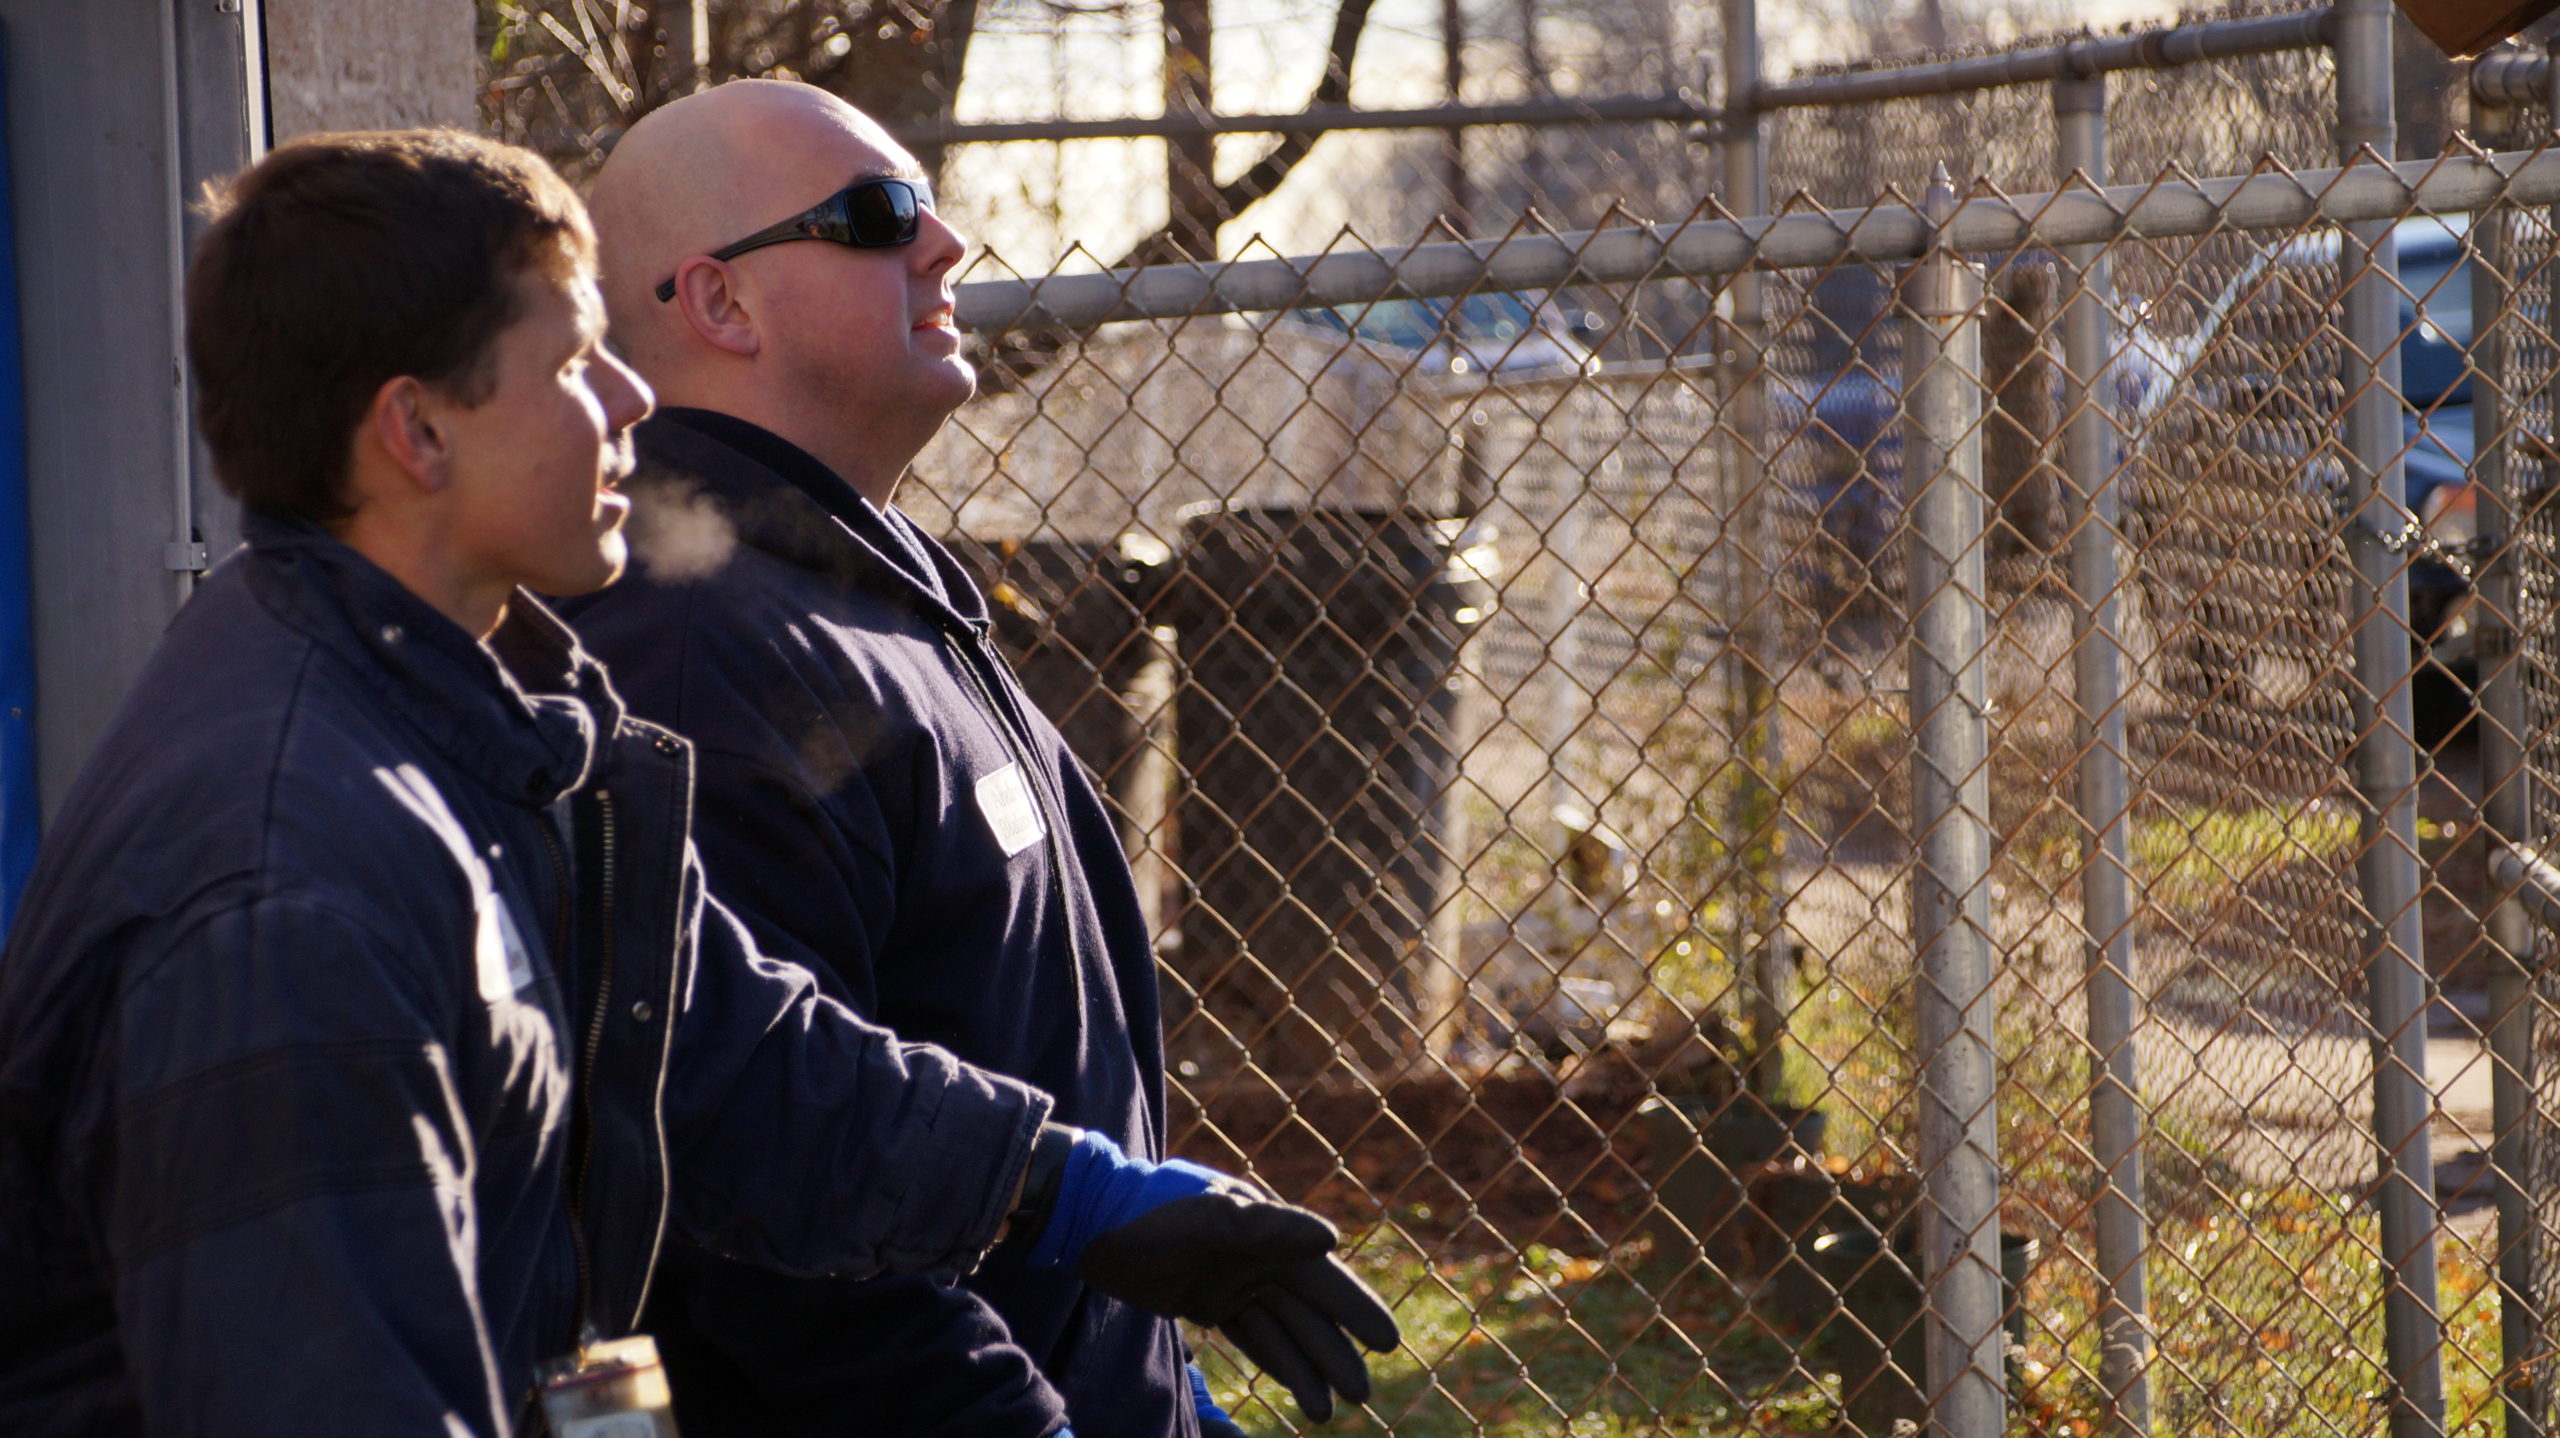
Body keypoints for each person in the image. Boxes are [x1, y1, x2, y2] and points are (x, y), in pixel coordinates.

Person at [0, 129, 1394, 1437]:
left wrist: (1067, 1192)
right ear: (416, 432)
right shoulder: (289, 887)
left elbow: (731, 1059)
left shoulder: (478, 722)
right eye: (575, 366)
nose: (630, 399)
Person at [560, 80, 1317, 1438]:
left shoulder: (860, 591)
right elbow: (770, 1214)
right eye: (878, 215)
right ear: (720, 301)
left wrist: (1154, 1387)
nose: (946, 242)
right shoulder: (695, 656)